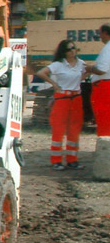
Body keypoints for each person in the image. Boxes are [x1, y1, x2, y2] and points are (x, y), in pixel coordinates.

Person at [34, 39, 87, 170]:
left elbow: (88, 71)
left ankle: (72, 160)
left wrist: (80, 80)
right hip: (62, 98)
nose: (72, 51)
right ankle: (56, 160)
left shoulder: (81, 63)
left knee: (74, 130)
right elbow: (40, 72)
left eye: (74, 48)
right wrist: (54, 84)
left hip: (76, 98)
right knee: (58, 129)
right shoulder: (58, 65)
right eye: (69, 49)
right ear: (63, 51)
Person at [87, 24, 110, 136]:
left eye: (100, 33)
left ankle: (105, 141)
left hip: (104, 87)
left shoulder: (108, 48)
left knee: (103, 116)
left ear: (105, 33)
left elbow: (101, 70)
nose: (99, 36)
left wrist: (89, 68)